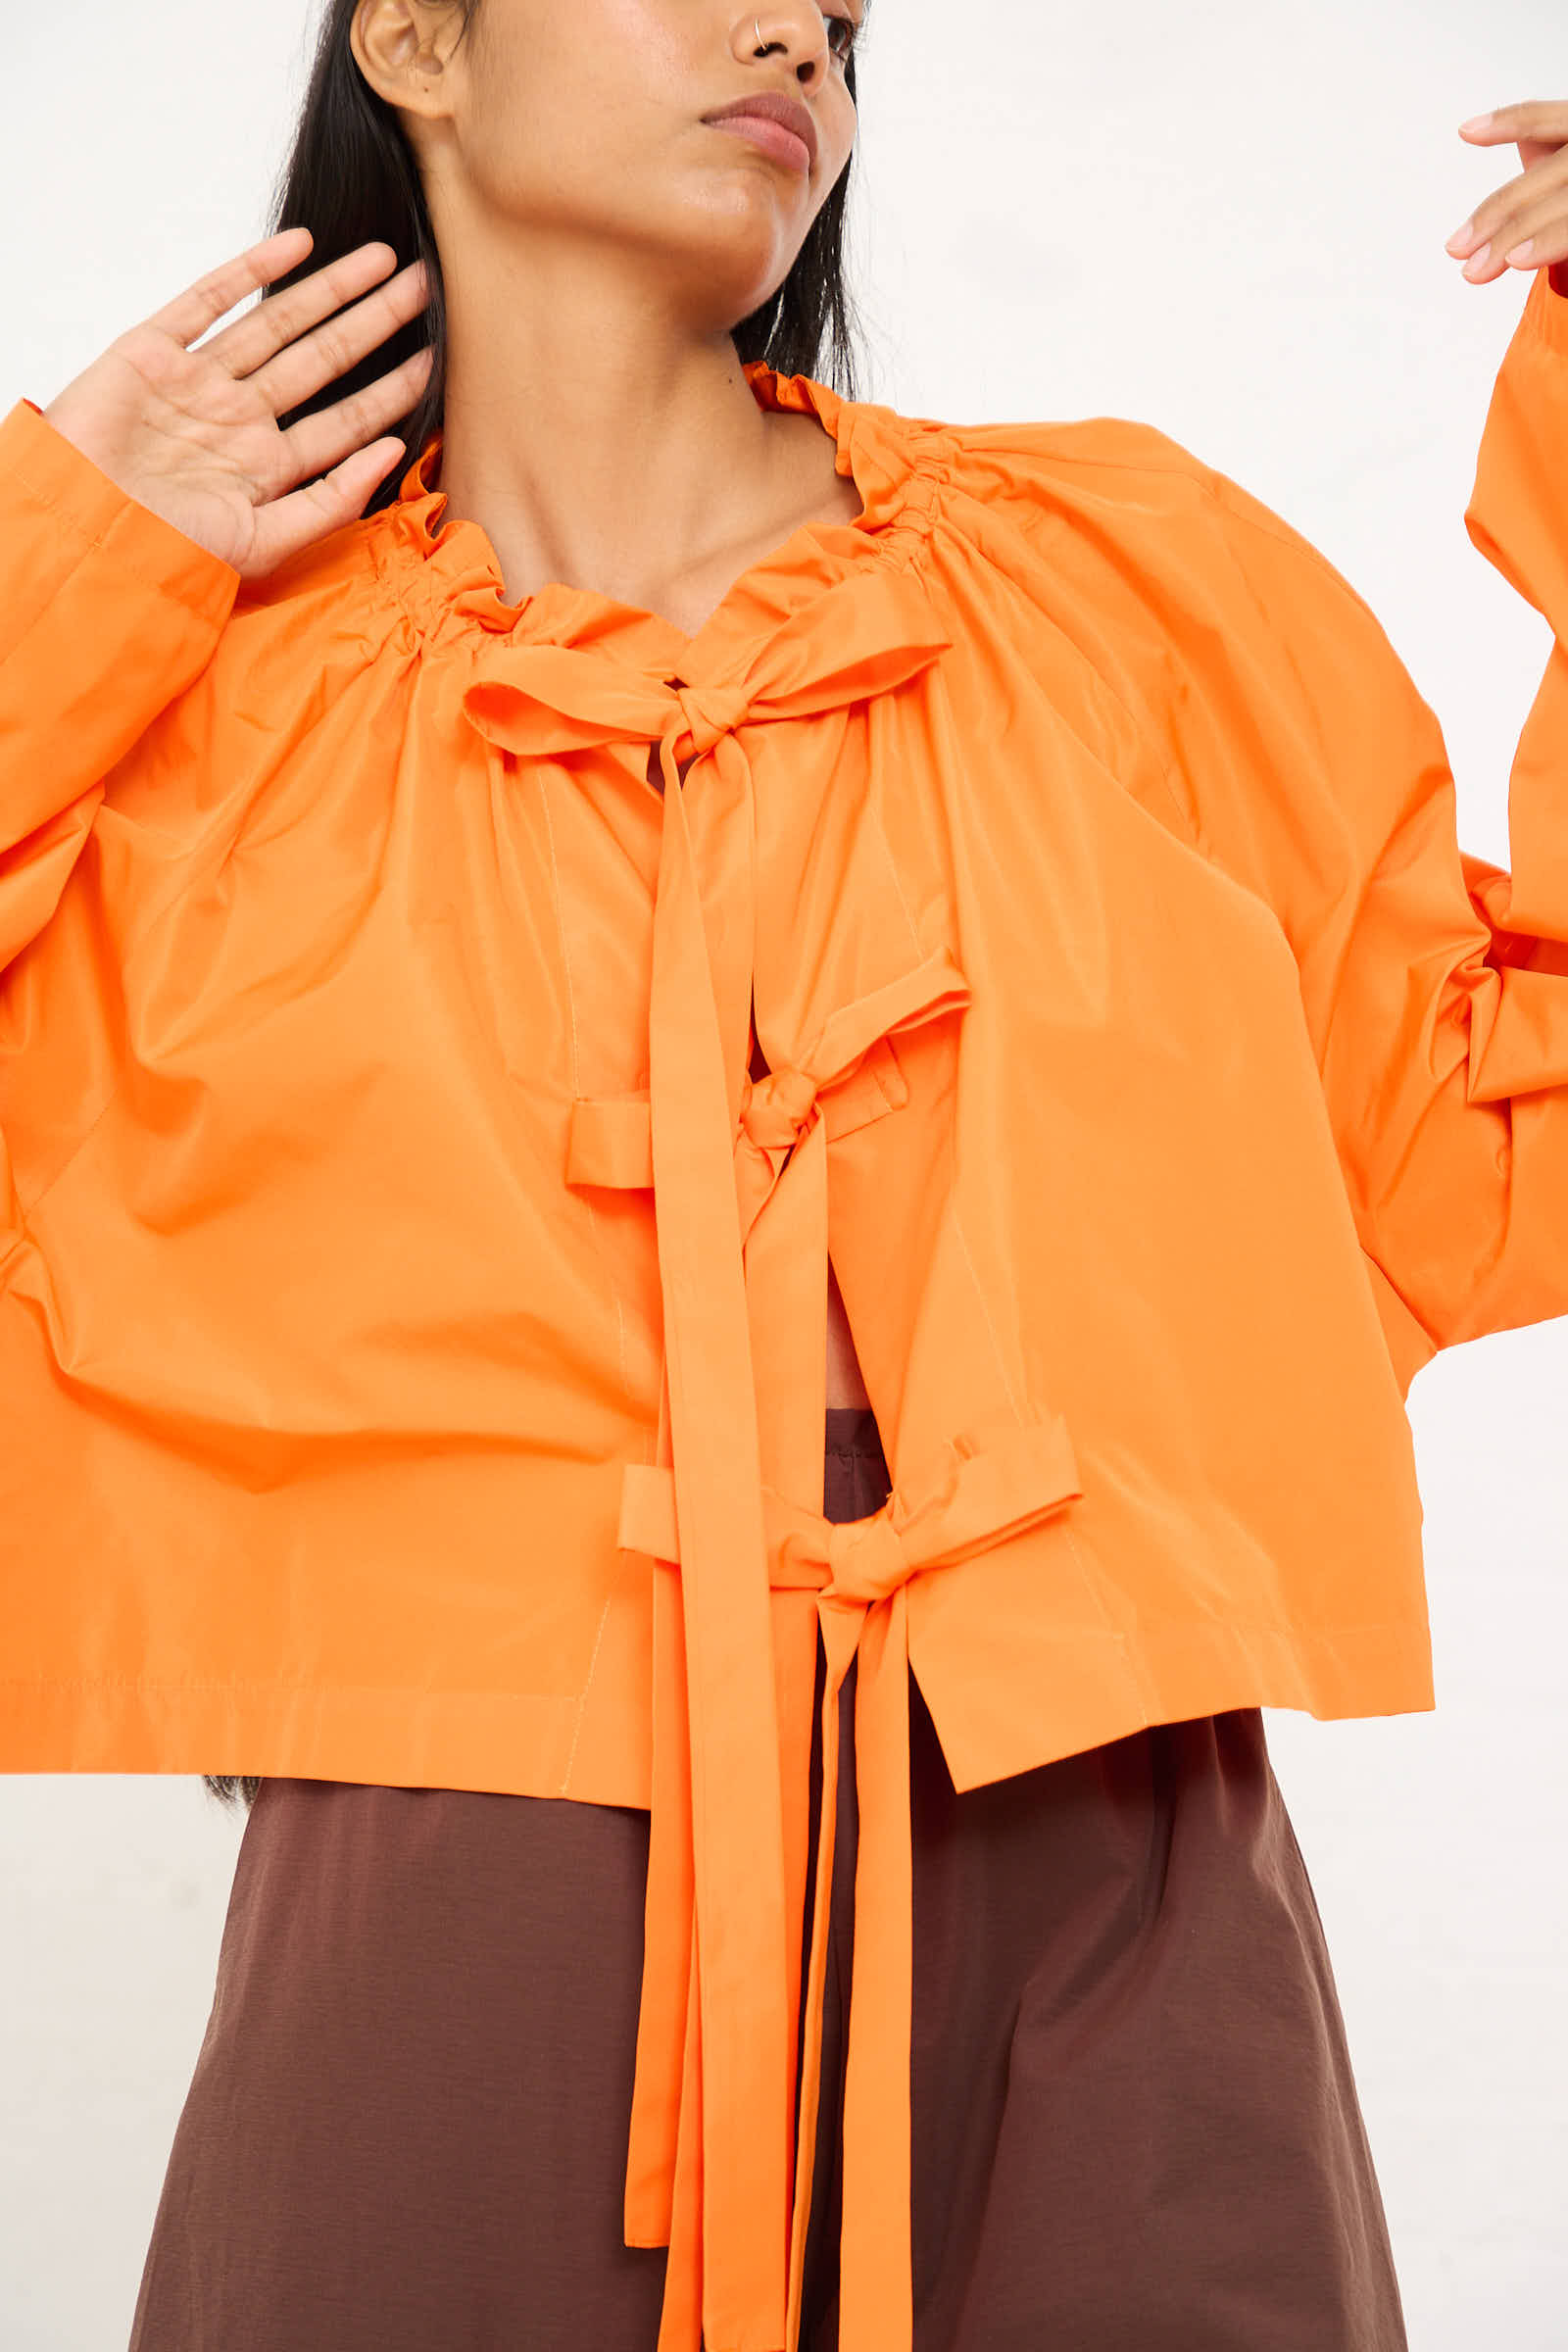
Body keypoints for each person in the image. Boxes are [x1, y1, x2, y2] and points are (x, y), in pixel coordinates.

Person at [4, 3, 1567, 2346]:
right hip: (460, 1873)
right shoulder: (188, 687)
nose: (794, 37)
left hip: (1102, 1849)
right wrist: (64, 548)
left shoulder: (1115, 589)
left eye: (842, 19)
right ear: (412, 38)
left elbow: (1494, 1133)